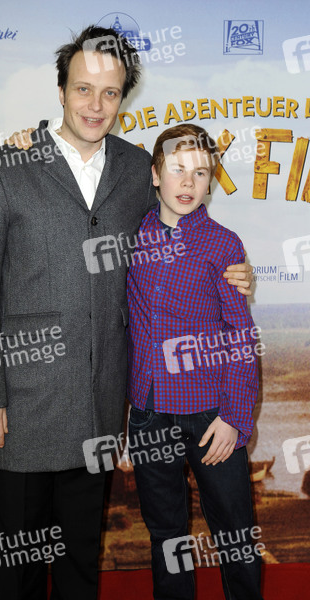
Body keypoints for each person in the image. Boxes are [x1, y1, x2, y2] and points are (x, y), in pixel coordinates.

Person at [0, 26, 253, 600]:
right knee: (19, 562)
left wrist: (235, 272)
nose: (95, 105)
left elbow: (182, 229)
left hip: (99, 404)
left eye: (110, 92)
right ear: (61, 90)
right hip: (22, 401)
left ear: (123, 97)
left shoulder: (138, 169)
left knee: (81, 560)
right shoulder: (2, 169)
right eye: (83, 89)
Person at [126, 123, 263, 600]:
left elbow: (241, 336)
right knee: (166, 534)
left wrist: (235, 417)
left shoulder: (224, 244)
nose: (188, 182)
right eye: (177, 169)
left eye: (200, 172)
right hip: (148, 411)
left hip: (211, 414)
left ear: (211, 182)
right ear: (155, 174)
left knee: (235, 531)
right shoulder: (131, 235)